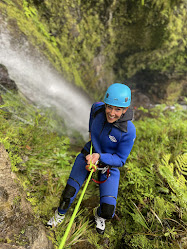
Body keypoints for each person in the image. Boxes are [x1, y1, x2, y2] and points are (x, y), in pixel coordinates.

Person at [47, 83, 136, 234]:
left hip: (108, 164)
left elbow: (120, 160)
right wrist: (91, 133)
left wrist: (100, 157)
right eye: (109, 107)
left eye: (118, 109)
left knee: (108, 210)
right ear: (105, 104)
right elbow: (92, 115)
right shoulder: (97, 109)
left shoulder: (128, 131)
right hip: (89, 153)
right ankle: (59, 215)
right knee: (69, 193)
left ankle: (98, 214)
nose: (112, 113)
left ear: (125, 110)